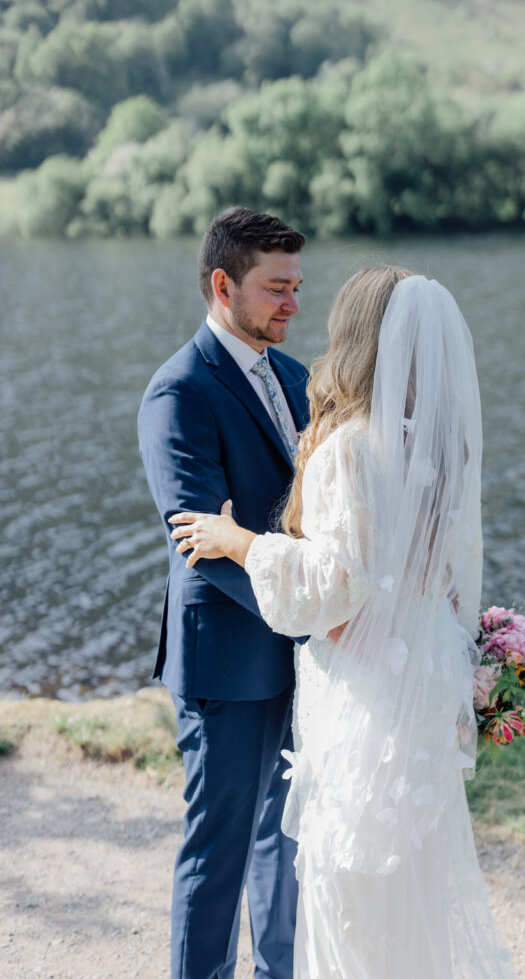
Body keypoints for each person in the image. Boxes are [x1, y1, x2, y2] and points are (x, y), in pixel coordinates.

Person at [169, 267, 519, 978]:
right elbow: (433, 582)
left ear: (354, 337)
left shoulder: (349, 450)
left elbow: (334, 589)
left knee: (347, 895)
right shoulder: (438, 450)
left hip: (361, 693)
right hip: (417, 685)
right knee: (407, 885)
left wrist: (240, 542)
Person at [137, 207, 309, 979]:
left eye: (297, 286)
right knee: (219, 849)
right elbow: (201, 545)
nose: (292, 305)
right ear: (221, 284)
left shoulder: (299, 378)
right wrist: (307, 611)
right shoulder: (178, 392)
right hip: (229, 662)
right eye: (276, 288)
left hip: (306, 649)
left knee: (290, 834)